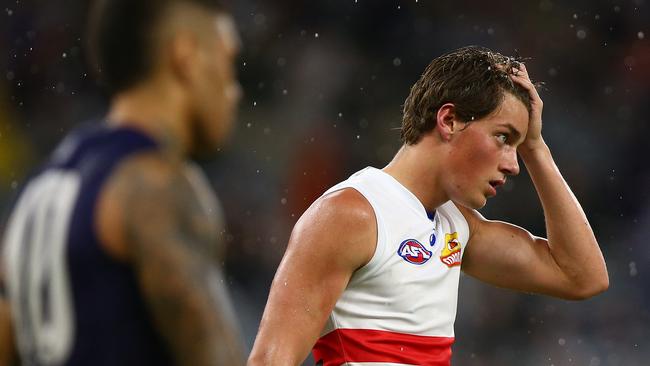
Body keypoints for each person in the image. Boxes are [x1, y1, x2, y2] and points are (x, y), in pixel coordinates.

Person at [247, 46, 609, 365]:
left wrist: (537, 148)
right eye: (503, 137)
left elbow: (582, 277)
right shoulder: (351, 214)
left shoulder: (458, 227)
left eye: (518, 147)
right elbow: (269, 360)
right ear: (449, 120)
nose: (514, 165)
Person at [0, 0, 245, 364]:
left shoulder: (37, 190)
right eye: (228, 61)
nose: (234, 90)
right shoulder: (156, 186)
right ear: (185, 54)